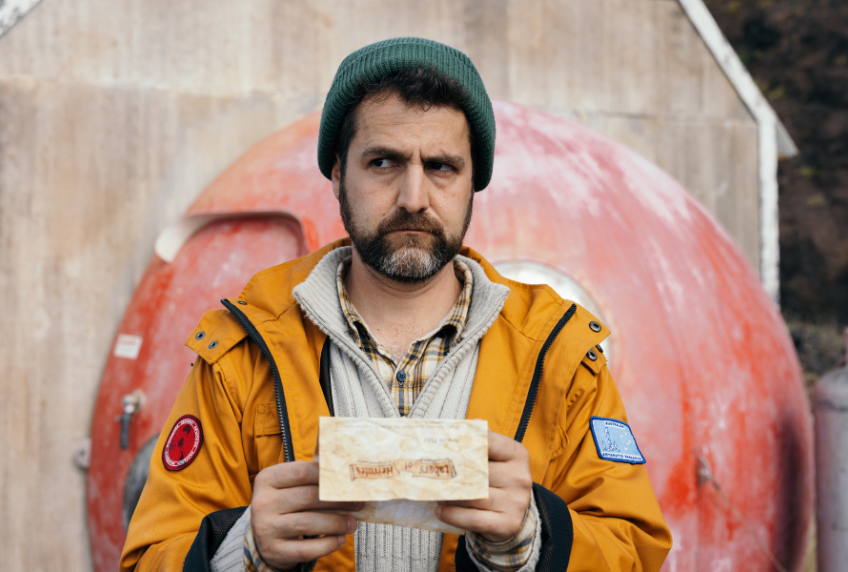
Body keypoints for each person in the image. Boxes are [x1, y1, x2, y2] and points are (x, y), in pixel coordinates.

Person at [120, 37, 671, 572]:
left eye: (441, 166)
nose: (413, 198)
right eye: (383, 162)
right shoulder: (242, 352)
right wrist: (239, 551)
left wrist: (534, 540)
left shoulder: (560, 356)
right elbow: (150, 556)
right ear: (338, 173)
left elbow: (634, 549)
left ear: (473, 181)